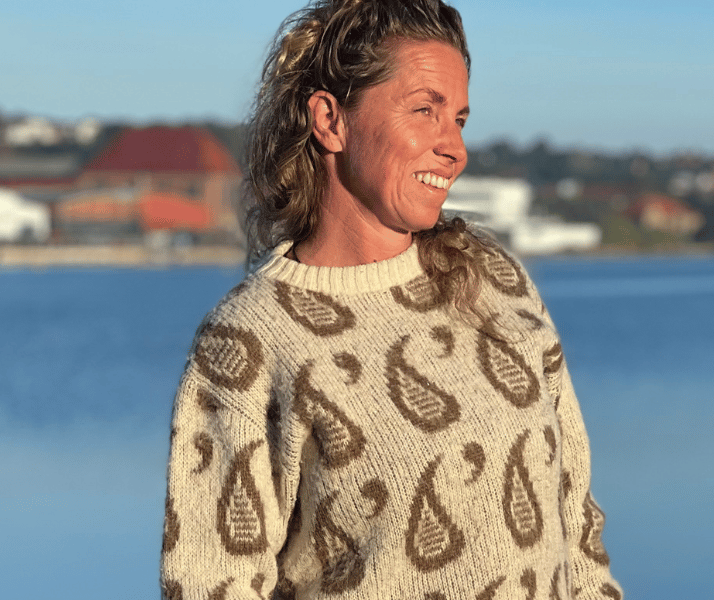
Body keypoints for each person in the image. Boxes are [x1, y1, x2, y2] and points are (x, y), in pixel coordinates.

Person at [160, 1, 621, 598]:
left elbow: (576, 525)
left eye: (459, 119)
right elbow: (209, 584)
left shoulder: (493, 281)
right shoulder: (248, 340)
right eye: (425, 110)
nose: (455, 148)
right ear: (331, 121)